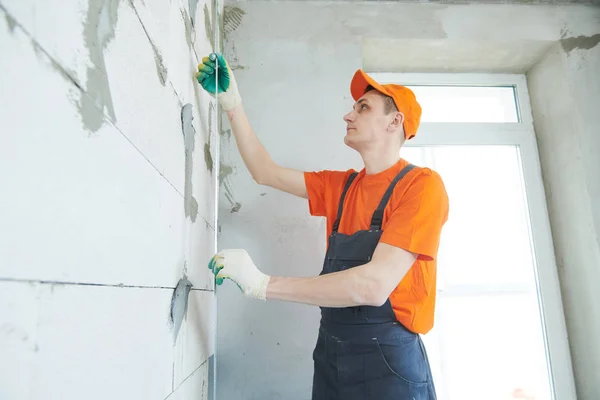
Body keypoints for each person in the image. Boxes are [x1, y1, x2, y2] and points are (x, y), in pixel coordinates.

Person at [196, 53, 449, 400]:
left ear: (395, 122)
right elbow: (264, 171)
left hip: (388, 366)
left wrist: (261, 284)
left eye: (363, 108)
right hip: (331, 354)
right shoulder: (341, 187)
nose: (348, 114)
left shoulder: (421, 186)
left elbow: (373, 287)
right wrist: (232, 104)